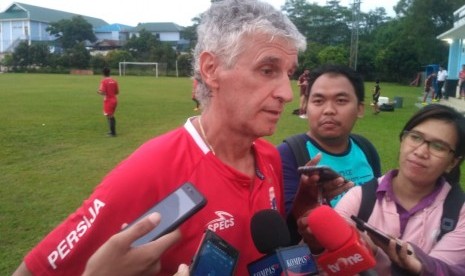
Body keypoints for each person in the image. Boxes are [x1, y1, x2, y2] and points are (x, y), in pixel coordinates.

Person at [14, 1, 347, 275]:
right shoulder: (150, 170)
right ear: (211, 69)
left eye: (287, 74)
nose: (287, 94)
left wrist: (302, 206)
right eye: (267, 70)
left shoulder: (269, 156)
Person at [299, 104, 465, 275]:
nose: (421, 152)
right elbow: (323, 266)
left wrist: (377, 256)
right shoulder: (360, 198)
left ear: (452, 162)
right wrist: (317, 244)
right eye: (415, 137)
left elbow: (447, 271)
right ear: (403, 140)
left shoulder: (459, 213)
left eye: (438, 146)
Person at [278, 64, 382, 212]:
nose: (329, 110)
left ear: (359, 109)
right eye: (318, 101)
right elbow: (286, 226)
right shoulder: (287, 155)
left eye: (340, 101)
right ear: (307, 106)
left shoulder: (366, 148)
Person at [97, 67, 119, 137]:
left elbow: (103, 92)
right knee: (109, 116)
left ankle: (113, 133)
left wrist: (98, 92)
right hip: (114, 100)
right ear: (109, 72)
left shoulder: (104, 81)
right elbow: (117, 92)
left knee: (110, 116)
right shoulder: (114, 81)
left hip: (108, 100)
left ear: (103, 73)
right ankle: (111, 131)